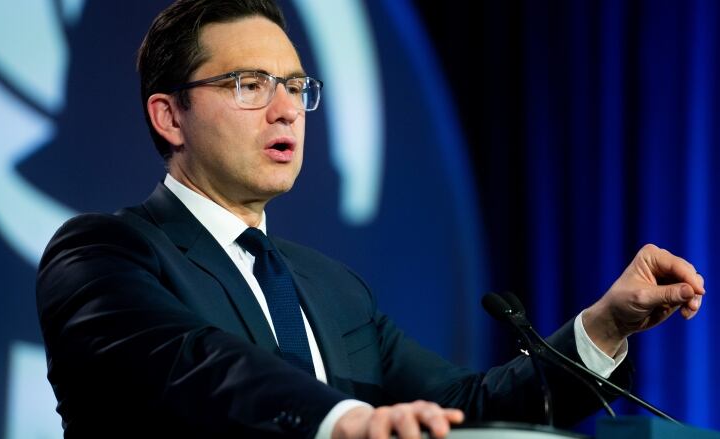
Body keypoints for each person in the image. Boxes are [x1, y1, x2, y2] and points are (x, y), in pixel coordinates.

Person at [35, 0, 705, 438]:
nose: (286, 109)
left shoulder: (331, 289)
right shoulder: (104, 255)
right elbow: (198, 368)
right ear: (168, 115)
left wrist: (606, 323)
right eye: (249, 85)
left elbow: (468, 409)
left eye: (296, 86)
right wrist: (345, 420)